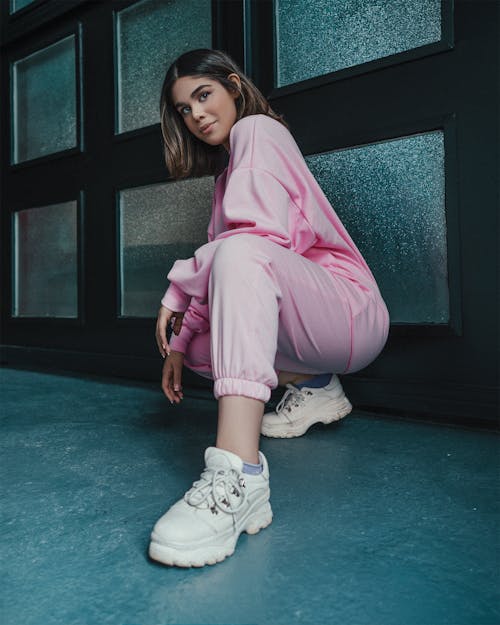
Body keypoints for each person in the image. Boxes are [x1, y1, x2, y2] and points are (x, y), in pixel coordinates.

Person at [149, 48, 389, 568]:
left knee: (239, 251)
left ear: (234, 86)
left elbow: (250, 245)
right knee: (203, 350)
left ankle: (239, 474)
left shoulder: (257, 131)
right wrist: (183, 343)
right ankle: (316, 385)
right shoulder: (226, 179)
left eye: (203, 95)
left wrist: (175, 289)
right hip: (314, 324)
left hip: (350, 308)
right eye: (184, 110)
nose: (196, 116)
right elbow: (226, 281)